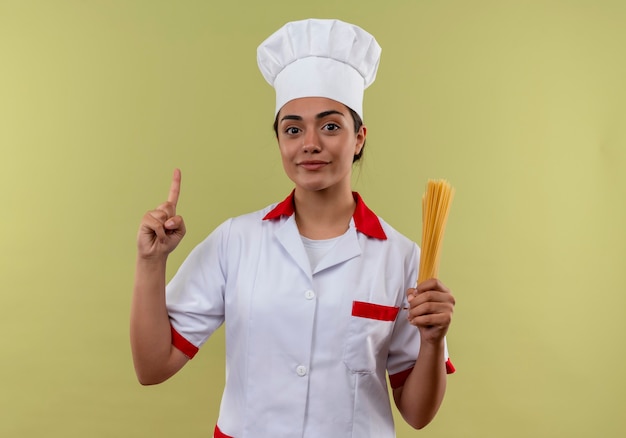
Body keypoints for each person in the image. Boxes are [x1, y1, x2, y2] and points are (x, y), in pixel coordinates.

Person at [130, 18, 456, 438]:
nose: (310, 143)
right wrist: (150, 263)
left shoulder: (402, 256)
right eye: (293, 129)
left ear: (359, 137)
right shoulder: (236, 241)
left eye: (331, 125)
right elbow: (153, 367)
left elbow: (417, 414)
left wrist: (432, 341)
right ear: (281, 140)